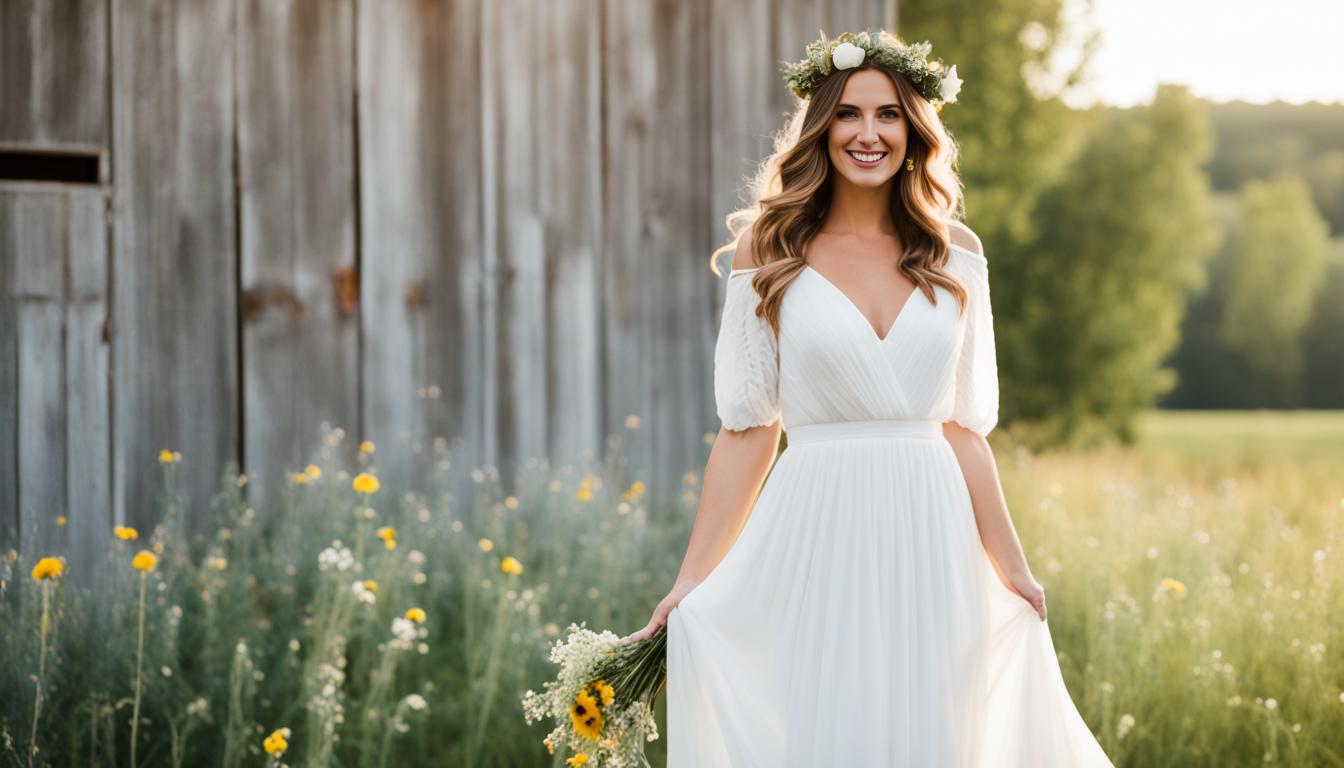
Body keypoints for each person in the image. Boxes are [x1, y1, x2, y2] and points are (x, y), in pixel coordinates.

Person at [618, 29, 1115, 766]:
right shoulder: (772, 247)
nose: (868, 133)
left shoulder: (958, 253)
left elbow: (964, 430)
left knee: (936, 730)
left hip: (932, 528)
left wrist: (1014, 569)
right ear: (821, 130)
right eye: (848, 114)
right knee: (831, 725)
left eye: (888, 115)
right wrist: (690, 582)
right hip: (818, 526)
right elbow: (749, 429)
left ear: (914, 130)